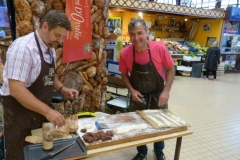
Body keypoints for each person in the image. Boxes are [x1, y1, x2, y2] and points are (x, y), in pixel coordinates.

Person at [0, 10, 79, 160]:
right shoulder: (23, 48)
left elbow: (48, 76)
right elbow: (16, 89)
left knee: (41, 154)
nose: (60, 41)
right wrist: (48, 112)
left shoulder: (50, 49)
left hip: (38, 115)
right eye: (57, 35)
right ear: (45, 26)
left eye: (62, 37)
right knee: (20, 154)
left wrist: (62, 88)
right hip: (19, 116)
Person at [119, 18, 175, 160]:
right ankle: (142, 152)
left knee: (160, 126)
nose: (136, 38)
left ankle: (159, 151)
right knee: (139, 127)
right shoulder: (125, 53)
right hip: (138, 96)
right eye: (132, 34)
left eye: (139, 33)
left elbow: (170, 69)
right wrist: (132, 91)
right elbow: (124, 75)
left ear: (147, 32)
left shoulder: (160, 48)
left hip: (158, 95)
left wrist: (166, 91)